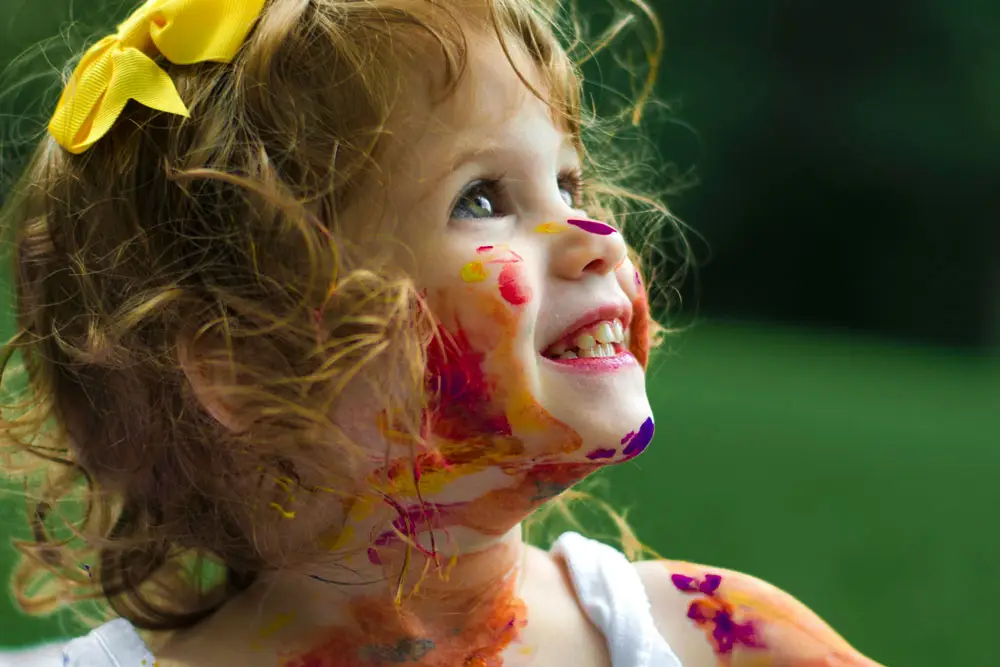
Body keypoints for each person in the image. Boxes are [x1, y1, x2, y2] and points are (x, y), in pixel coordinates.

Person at [0, 0, 891, 665]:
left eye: (570, 186)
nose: (598, 238)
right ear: (250, 362)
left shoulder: (715, 642)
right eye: (483, 199)